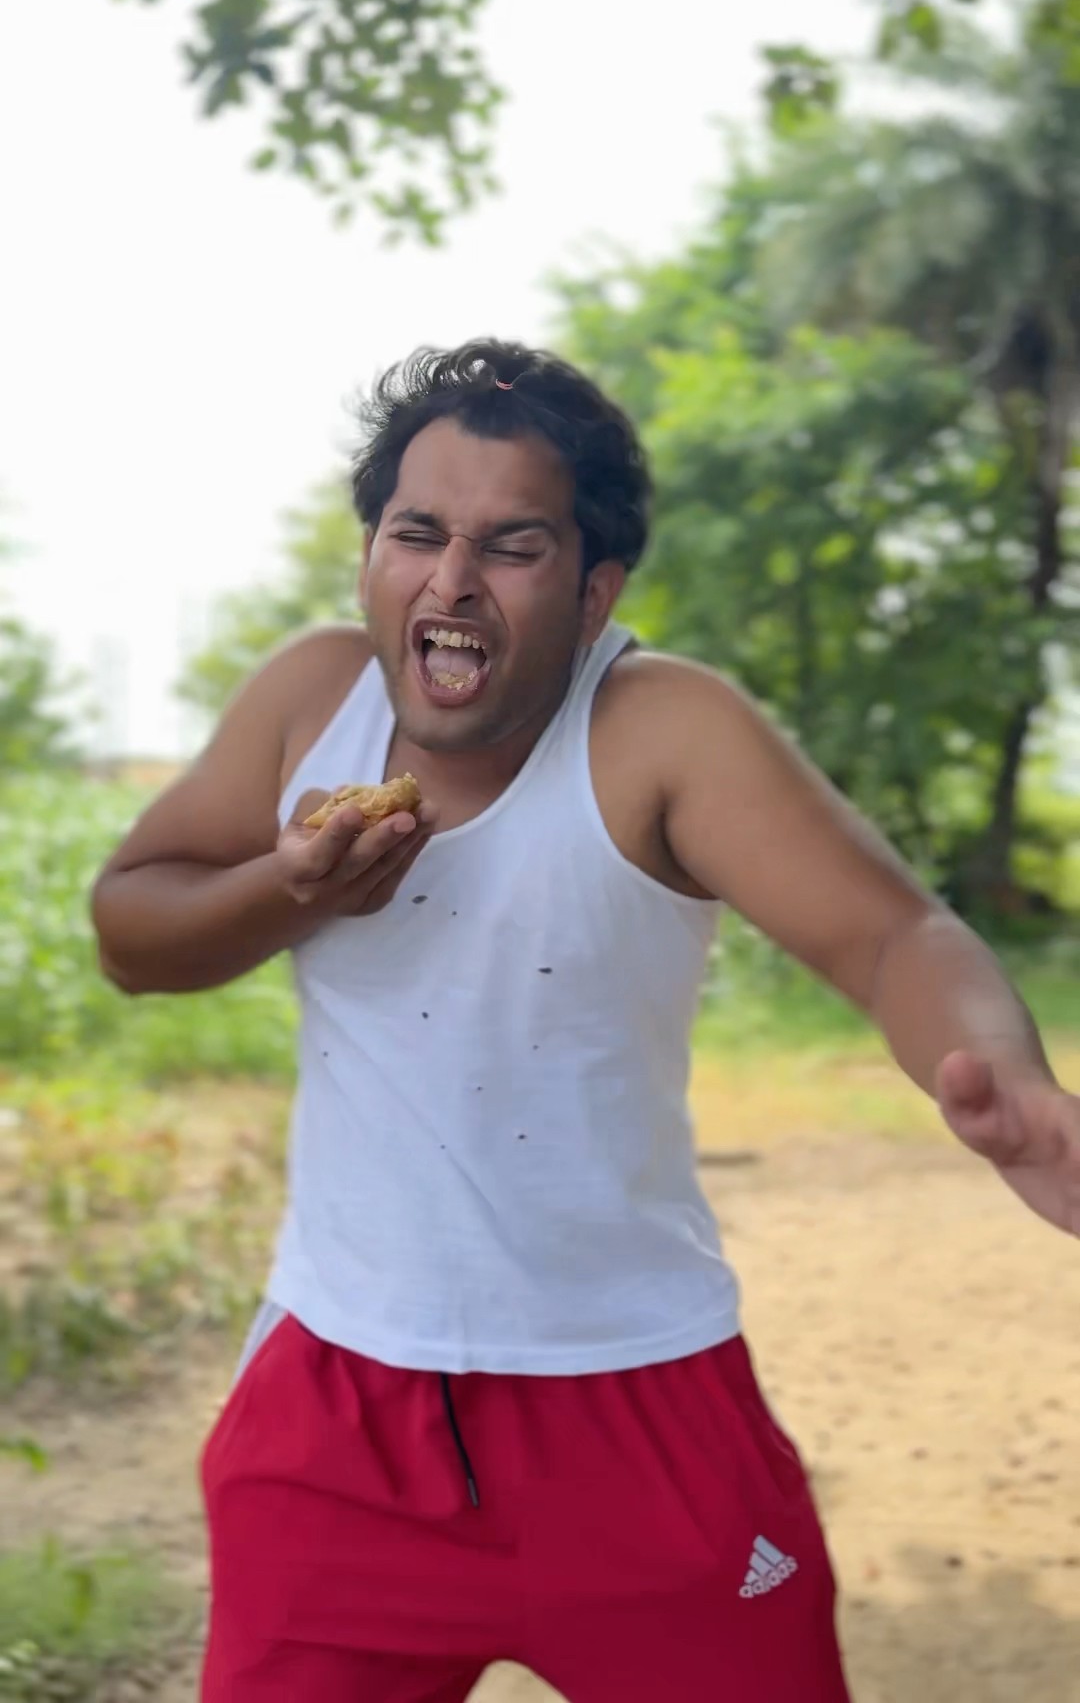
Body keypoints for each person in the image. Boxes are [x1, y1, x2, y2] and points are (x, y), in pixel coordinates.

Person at [92, 341, 1079, 1703]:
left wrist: (1004, 1076)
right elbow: (132, 929)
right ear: (371, 555)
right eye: (417, 534)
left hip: (638, 1409)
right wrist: (285, 889)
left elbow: (892, 934)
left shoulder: (661, 730)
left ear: (594, 587)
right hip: (336, 1416)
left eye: (513, 547)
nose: (451, 581)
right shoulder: (312, 703)